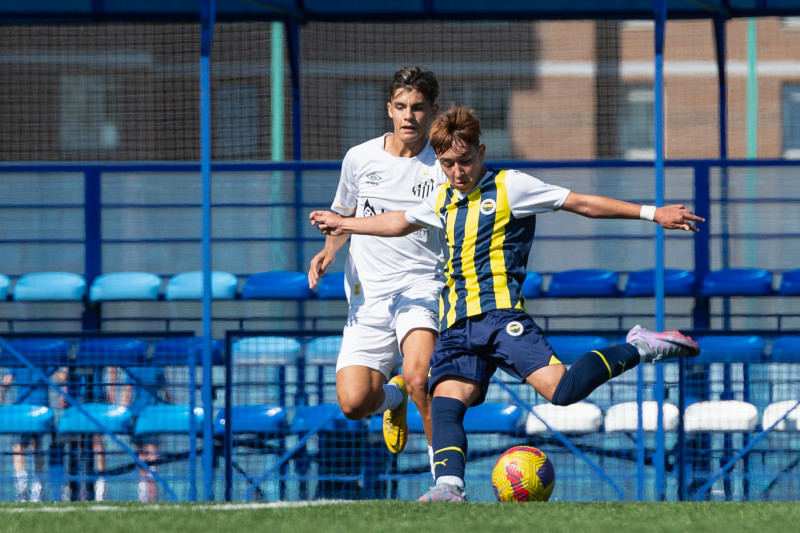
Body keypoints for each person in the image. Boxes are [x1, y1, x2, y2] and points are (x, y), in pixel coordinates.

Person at [309, 105, 705, 502]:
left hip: (501, 319)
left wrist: (653, 214)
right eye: (447, 164)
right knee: (445, 403)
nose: (456, 172)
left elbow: (580, 203)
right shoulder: (442, 197)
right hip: (456, 326)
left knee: (563, 390)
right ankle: (449, 488)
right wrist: (344, 223)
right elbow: (397, 222)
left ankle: (639, 346)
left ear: (481, 152)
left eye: (464, 161)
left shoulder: (511, 186)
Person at [307, 66, 447, 467]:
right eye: (401, 106)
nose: (409, 116)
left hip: (421, 287)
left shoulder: (442, 166)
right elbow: (344, 214)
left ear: (433, 111)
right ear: (389, 109)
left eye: (418, 108)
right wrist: (329, 250)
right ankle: (395, 396)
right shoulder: (359, 158)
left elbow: (395, 221)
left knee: (422, 378)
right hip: (367, 298)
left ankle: (447, 478)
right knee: (353, 402)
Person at [1, 362, 67, 502]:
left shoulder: (17, 353)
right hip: (40, 405)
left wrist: (2, 394)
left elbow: (8, 378)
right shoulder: (43, 356)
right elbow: (59, 376)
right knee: (37, 445)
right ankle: (37, 485)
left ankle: (22, 486)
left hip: (23, 406)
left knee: (19, 446)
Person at [119, 363, 170, 502]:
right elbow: (166, 392)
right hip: (152, 412)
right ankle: (152, 488)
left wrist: (121, 412)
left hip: (137, 412)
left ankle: (143, 490)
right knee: (152, 450)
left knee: (141, 451)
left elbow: (127, 393)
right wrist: (172, 407)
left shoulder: (133, 367)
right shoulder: (158, 367)